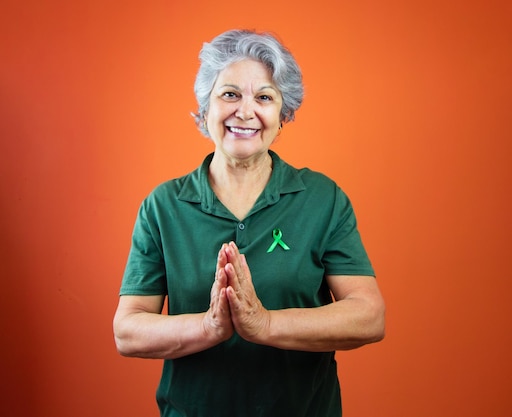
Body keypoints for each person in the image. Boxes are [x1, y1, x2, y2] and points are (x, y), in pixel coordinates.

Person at [113, 29, 385, 417]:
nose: (245, 111)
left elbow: (370, 316)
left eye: (264, 97)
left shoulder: (323, 199)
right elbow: (127, 331)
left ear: (283, 115)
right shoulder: (163, 206)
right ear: (205, 107)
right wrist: (209, 328)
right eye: (229, 94)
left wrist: (265, 324)